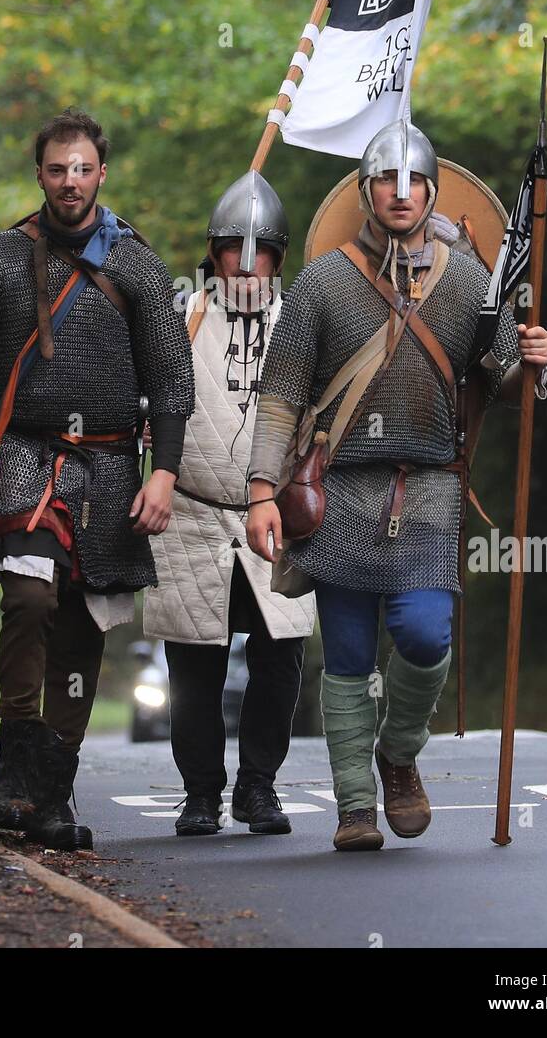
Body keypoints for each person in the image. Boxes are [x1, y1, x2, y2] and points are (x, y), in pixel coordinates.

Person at [0, 109, 194, 850]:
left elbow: (171, 385)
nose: (70, 182)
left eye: (82, 169)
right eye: (57, 170)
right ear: (40, 175)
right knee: (27, 595)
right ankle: (13, 776)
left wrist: (164, 476)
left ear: (101, 173)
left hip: (110, 469)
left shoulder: (139, 267)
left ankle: (49, 798)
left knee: (81, 631)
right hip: (23, 458)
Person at [246, 121, 547, 851]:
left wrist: (533, 361)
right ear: (366, 190)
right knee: (349, 658)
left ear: (433, 192)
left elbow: (502, 380)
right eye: (387, 179)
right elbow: (281, 395)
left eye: (414, 180)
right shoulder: (323, 282)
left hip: (429, 492)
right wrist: (260, 492)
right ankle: (355, 806)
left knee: (423, 635)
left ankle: (398, 752)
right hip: (340, 493)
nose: (401, 192)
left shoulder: (471, 283)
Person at [145, 172, 315, 837]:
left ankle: (258, 788)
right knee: (194, 665)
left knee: (280, 657)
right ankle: (199, 794)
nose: (246, 265)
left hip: (277, 518)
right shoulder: (178, 317)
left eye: (260, 251)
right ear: (213, 254)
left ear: (278, 256)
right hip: (191, 514)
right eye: (233, 250)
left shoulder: (302, 323)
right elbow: (142, 395)